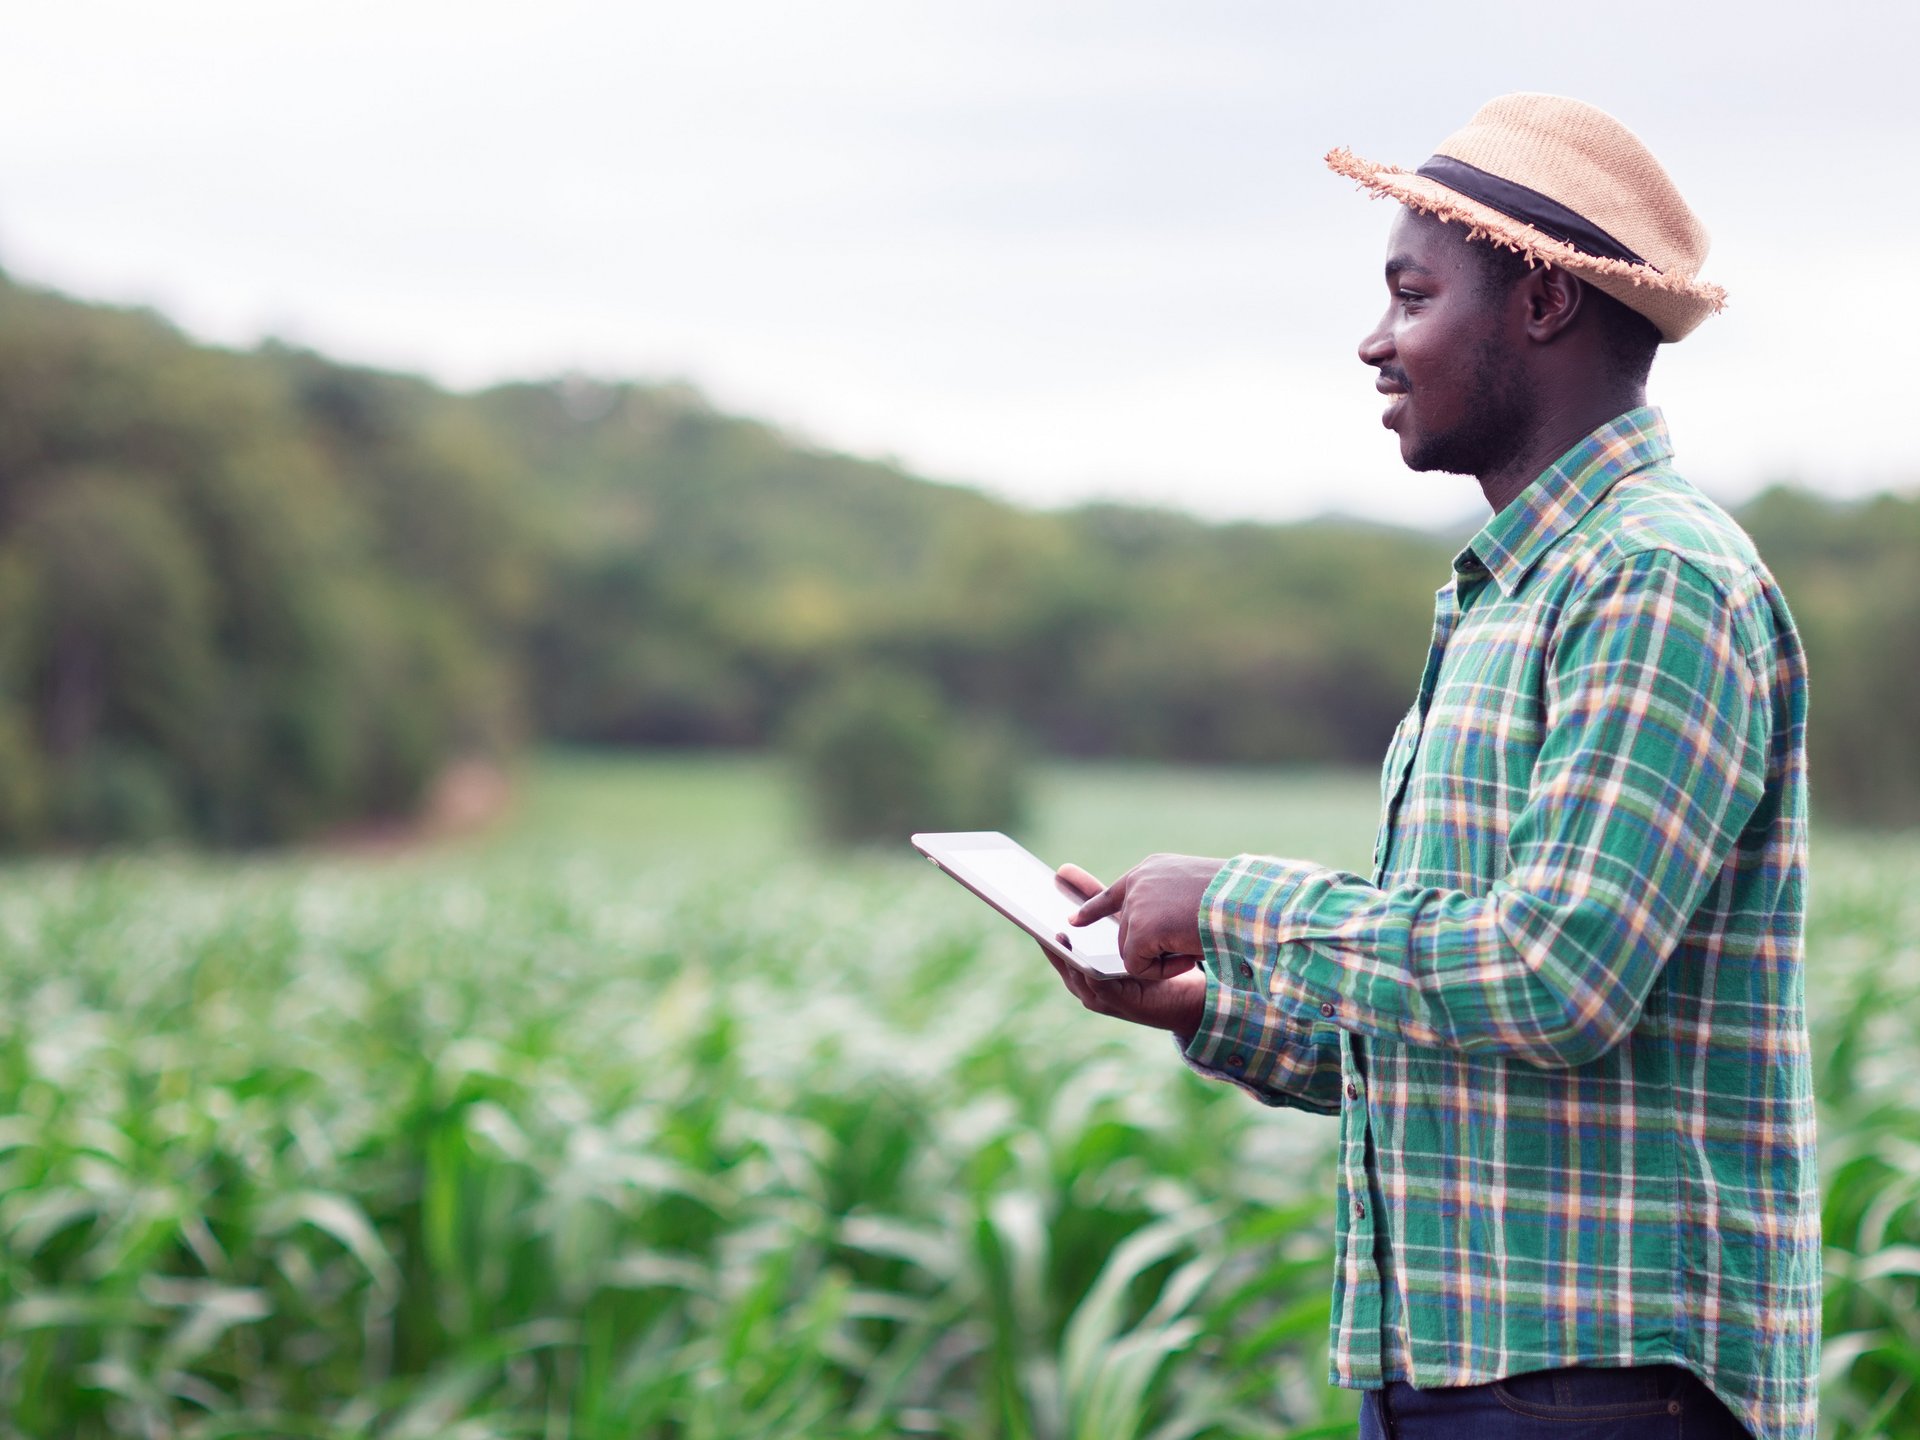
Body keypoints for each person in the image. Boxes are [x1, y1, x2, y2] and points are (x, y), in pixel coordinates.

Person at [1043, 94, 1816, 1440]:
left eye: (1412, 295)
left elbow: (1553, 979)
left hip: (1606, 1383)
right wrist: (1195, 1005)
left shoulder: (1653, 579)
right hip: (1471, 1369)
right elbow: (1450, 1031)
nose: (1375, 341)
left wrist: (1230, 898)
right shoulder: (1509, 595)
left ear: (1541, 305)